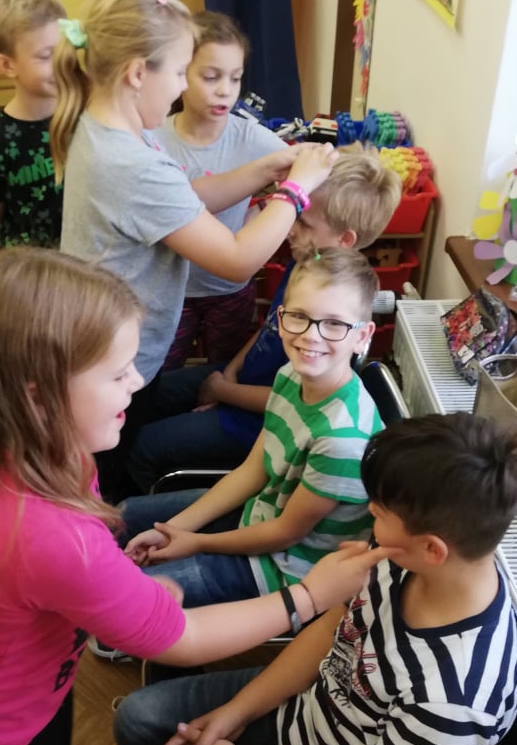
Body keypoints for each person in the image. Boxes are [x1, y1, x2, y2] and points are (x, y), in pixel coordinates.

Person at [0, 246, 397, 745]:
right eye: (117, 372)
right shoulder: (50, 533)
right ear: (40, 394)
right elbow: (181, 635)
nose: (137, 382)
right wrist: (312, 595)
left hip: (19, 697)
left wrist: (135, 585)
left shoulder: (50, 455)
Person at [114, 412, 517, 745]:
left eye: (379, 513)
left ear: (432, 549)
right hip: (307, 715)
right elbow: (335, 629)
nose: (369, 515)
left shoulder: (453, 701)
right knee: (138, 720)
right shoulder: (404, 558)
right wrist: (237, 712)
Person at [51, 0, 337, 501]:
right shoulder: (131, 163)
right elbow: (237, 260)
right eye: (183, 71)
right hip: (113, 360)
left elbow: (184, 199)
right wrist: (295, 190)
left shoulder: (113, 128)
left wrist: (266, 168)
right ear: (138, 73)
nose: (183, 85)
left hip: (106, 344)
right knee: (108, 479)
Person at [117, 247, 380, 617]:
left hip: (284, 571)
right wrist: (172, 531)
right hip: (257, 516)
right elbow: (252, 471)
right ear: (280, 318)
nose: (311, 335)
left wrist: (195, 542)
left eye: (335, 323)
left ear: (362, 335)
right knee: (121, 517)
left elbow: (285, 534)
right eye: (299, 316)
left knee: (132, 596)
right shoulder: (291, 375)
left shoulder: (343, 440)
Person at [128, 142, 402, 493]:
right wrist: (231, 371)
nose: (289, 228)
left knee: (142, 447)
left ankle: (134, 508)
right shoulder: (307, 265)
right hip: (240, 385)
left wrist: (225, 391)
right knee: (146, 394)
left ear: (344, 239)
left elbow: (294, 397)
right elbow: (271, 327)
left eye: (302, 221)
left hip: (260, 422)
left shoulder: (337, 309)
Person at [158, 11, 286, 371]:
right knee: (162, 371)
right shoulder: (155, 138)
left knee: (226, 370)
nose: (225, 90)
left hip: (230, 289)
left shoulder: (253, 138)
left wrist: (263, 211)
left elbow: (301, 167)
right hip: (171, 289)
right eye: (211, 77)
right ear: (181, 73)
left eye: (235, 78)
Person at [0, 0, 66, 249]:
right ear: (7, 65)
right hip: (30, 265)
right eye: (46, 56)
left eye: (63, 50)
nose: (61, 64)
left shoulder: (80, 114)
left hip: (83, 258)